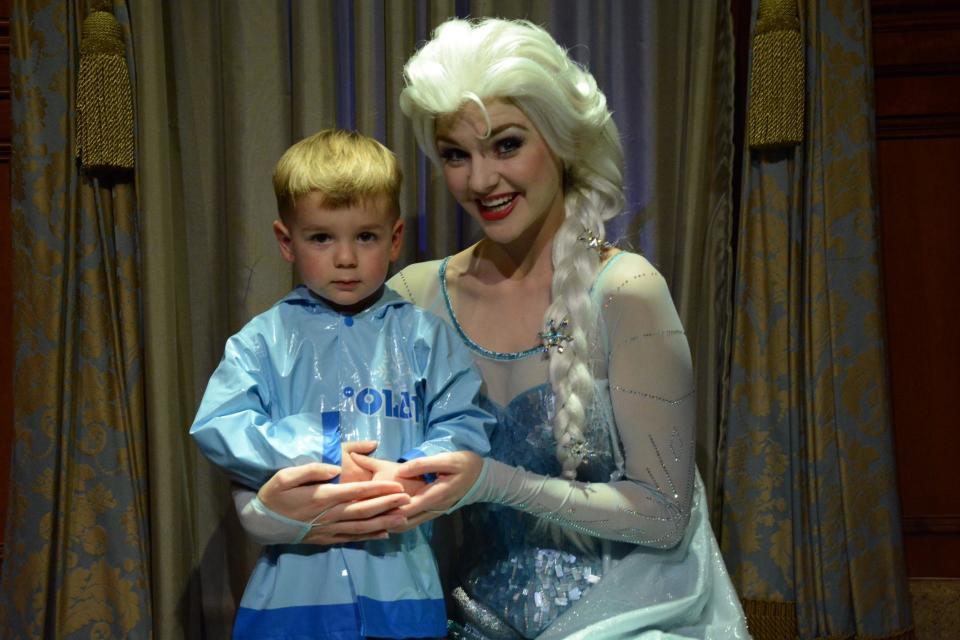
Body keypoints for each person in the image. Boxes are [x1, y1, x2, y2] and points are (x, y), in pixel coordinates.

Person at [235, 19, 751, 640]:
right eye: (456, 154)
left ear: (560, 142)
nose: (480, 181)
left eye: (506, 145)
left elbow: (666, 516)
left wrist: (492, 482)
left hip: (630, 618)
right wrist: (266, 514)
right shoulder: (410, 296)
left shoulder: (626, 292)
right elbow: (308, 441)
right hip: (465, 620)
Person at [190, 129, 493, 640]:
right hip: (294, 596)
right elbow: (220, 424)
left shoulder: (425, 338)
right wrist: (325, 449)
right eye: (321, 237)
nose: (346, 258)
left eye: (366, 237)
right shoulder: (262, 342)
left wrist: (409, 475)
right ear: (287, 242)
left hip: (400, 587)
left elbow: (464, 424)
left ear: (394, 238)